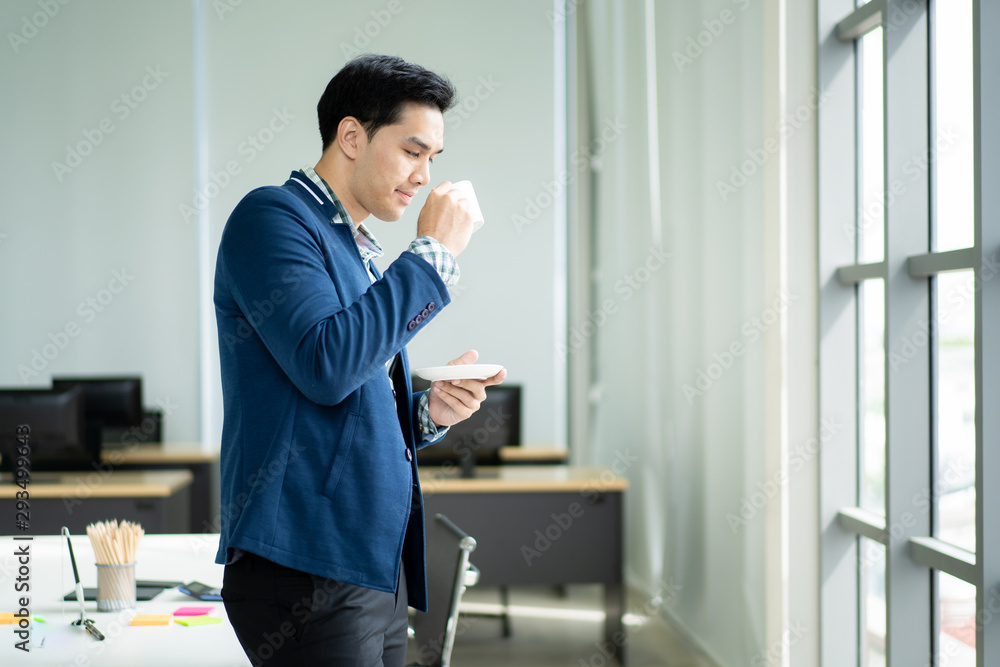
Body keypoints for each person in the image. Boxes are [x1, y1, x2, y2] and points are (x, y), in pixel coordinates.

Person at [213, 54, 506, 666]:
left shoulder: (358, 248)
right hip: (305, 568)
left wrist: (429, 414)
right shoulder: (273, 218)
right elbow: (327, 365)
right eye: (412, 151)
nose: (424, 176)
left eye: (434, 160)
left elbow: (348, 405)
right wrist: (432, 255)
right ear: (352, 136)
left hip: (371, 564)